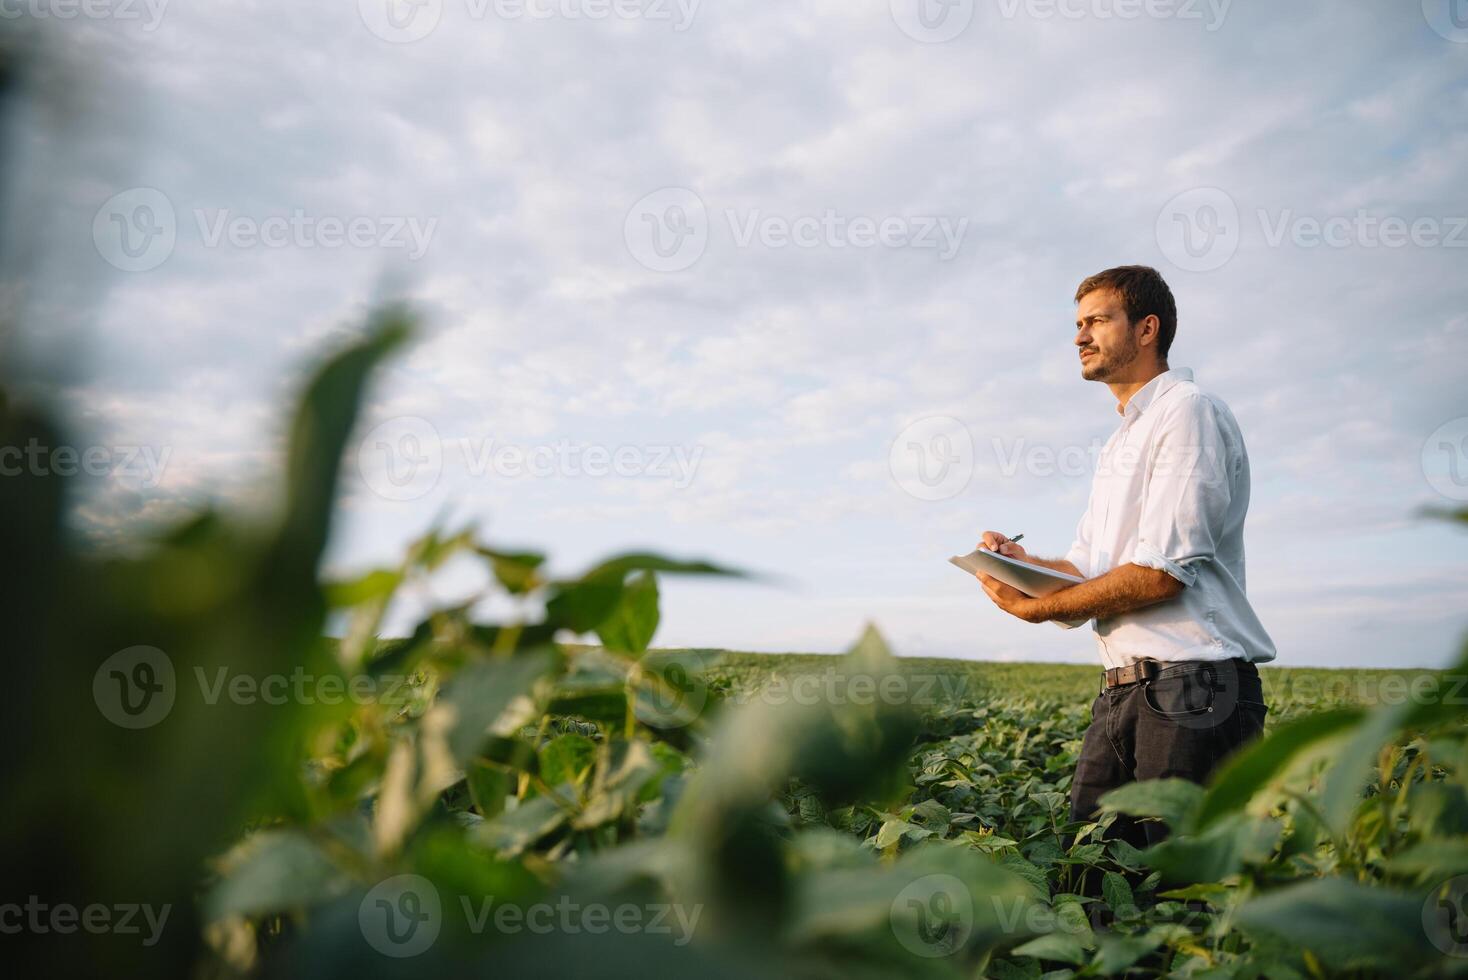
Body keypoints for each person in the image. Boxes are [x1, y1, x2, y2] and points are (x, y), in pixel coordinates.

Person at [975, 265, 1274, 849]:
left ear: (1147, 329)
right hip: (1123, 691)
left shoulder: (1187, 411)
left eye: (1097, 321)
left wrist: (1035, 611)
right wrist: (1024, 566)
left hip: (1193, 689)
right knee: (1090, 879)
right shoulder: (1120, 443)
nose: (1080, 337)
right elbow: (1089, 570)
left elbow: (1161, 575)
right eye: (1077, 324)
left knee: (1176, 898)